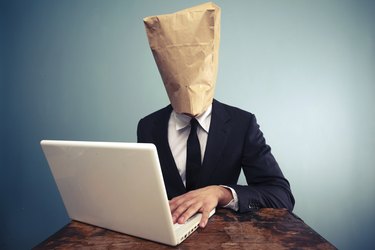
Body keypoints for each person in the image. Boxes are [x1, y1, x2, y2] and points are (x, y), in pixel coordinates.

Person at [138, 2, 294, 228]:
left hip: (223, 236)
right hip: (162, 236)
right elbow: (145, 193)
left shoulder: (242, 124)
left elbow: (281, 196)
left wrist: (222, 193)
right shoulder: (148, 126)